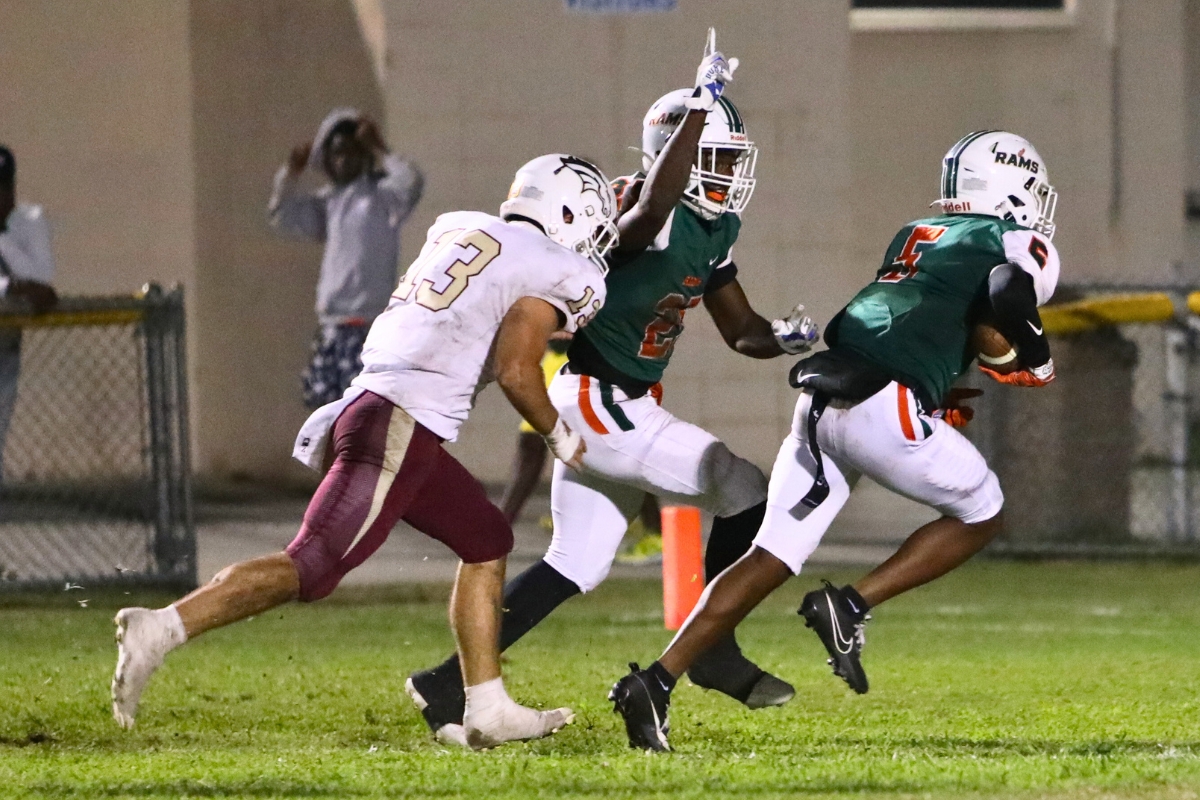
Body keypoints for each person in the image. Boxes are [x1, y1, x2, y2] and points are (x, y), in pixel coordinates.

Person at [111, 153, 618, 750]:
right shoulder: (557, 267)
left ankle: (486, 705)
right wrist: (559, 435)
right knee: (313, 564)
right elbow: (516, 367)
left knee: (487, 541)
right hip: (400, 423)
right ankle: (164, 627)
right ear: (566, 212)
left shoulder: (460, 227)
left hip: (387, 413)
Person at [406, 30, 819, 747]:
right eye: (711, 157)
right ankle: (712, 649)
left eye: (727, 159)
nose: (723, 174)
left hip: (614, 404)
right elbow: (647, 219)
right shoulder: (637, 208)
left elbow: (740, 328)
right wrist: (701, 103)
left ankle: (446, 682)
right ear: (675, 154)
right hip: (599, 400)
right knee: (746, 487)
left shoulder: (712, 231)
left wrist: (783, 335)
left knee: (575, 562)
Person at [610, 130, 1062, 751]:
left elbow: (944, 320)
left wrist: (966, 373)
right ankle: (851, 604)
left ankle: (655, 683)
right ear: (1013, 185)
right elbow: (1006, 294)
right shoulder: (1016, 239)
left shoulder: (914, 234)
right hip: (885, 407)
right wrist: (1035, 356)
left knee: (769, 555)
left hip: (824, 399)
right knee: (982, 512)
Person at [269, 109, 424, 409]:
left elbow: (412, 183)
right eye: (337, 153)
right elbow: (283, 214)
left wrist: (381, 148)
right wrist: (290, 172)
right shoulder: (328, 202)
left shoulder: (382, 196)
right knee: (327, 414)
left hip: (369, 325)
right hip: (333, 326)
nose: (344, 160)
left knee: (364, 413)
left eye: (353, 152)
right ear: (327, 160)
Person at [0, 145, 58, 477]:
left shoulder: (29, 221)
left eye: (5, 187)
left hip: (5, 343)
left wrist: (3, 238)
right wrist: (11, 287)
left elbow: (41, 277)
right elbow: (24, 287)